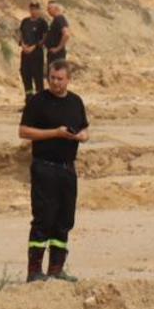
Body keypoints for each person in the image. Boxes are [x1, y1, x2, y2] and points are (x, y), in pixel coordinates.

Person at [19, 60, 88, 282]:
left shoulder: (76, 101)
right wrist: (55, 133)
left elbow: (85, 128)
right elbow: (23, 131)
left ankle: (56, 269)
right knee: (43, 218)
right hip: (44, 166)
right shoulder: (38, 101)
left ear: (68, 79)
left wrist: (81, 136)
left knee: (64, 219)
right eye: (52, 78)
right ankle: (34, 270)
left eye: (59, 79)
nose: (55, 82)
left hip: (67, 168)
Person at [17, 2, 48, 98]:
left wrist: (34, 46)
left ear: (39, 10)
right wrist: (23, 45)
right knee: (26, 76)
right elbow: (20, 34)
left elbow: (45, 37)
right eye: (32, 9)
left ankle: (40, 102)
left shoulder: (42, 23)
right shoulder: (25, 21)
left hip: (37, 53)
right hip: (25, 53)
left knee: (38, 77)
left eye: (36, 9)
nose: (33, 11)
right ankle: (28, 101)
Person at [43, 1, 71, 65]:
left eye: (49, 8)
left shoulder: (60, 19)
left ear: (56, 9)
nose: (48, 11)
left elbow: (66, 34)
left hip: (57, 54)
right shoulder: (56, 20)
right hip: (53, 53)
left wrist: (57, 49)